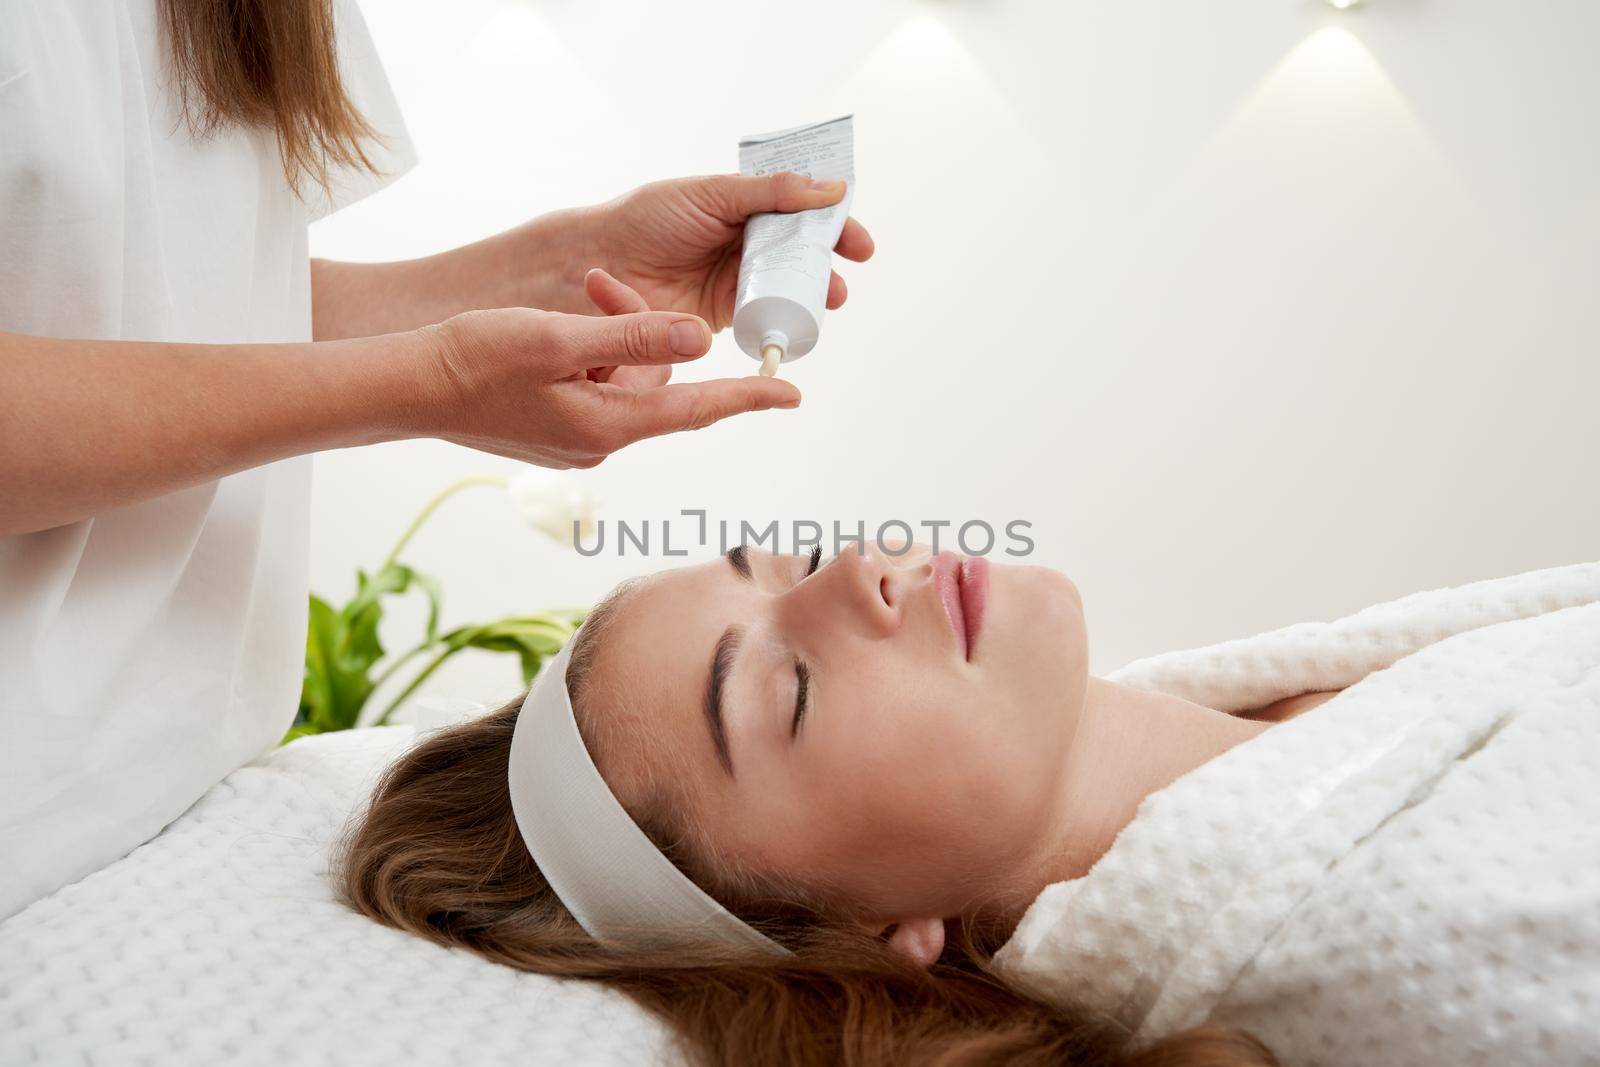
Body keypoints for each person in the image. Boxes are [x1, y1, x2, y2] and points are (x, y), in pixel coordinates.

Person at [0, 0, 873, 920]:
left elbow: (177, 294)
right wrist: (432, 379)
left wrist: (571, 264)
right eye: (794, 694)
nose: (864, 568)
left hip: (172, 791)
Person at [337, 544, 1600, 1067]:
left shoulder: (1302, 705)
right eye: (787, 684)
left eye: (783, 562)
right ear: (877, 930)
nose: (851, 576)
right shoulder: (1469, 922)